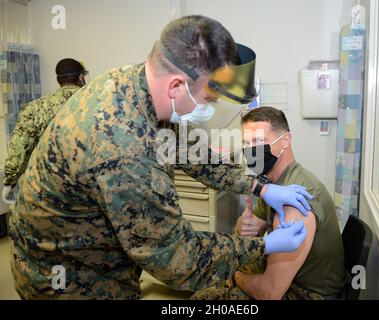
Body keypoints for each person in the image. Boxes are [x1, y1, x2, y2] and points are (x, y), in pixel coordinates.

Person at [9, 16, 311, 300]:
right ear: (177, 85)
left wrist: (261, 188)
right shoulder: (124, 150)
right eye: (207, 99)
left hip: (96, 254)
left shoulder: (137, 85)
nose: (206, 107)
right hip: (69, 276)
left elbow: (195, 155)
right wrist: (264, 245)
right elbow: (179, 260)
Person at [192, 107, 348, 300]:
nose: (251, 150)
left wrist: (237, 276)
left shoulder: (297, 199)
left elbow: (270, 293)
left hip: (304, 294)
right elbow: (250, 230)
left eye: (258, 141)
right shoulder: (274, 186)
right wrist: (244, 225)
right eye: (246, 143)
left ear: (285, 141)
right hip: (285, 281)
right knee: (215, 275)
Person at [1, 58, 88, 205]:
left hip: (46, 192)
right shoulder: (94, 105)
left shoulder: (35, 108)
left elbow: (19, 152)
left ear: (58, 80)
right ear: (81, 77)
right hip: (86, 193)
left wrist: (10, 181)